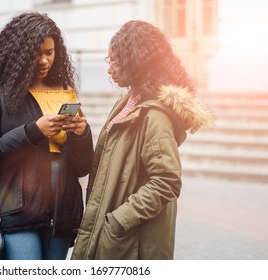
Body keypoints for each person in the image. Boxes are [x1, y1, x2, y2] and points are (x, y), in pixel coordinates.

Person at [71, 20, 214, 260]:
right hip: (116, 233)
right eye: (109, 61)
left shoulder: (154, 115)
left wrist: (118, 221)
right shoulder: (128, 102)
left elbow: (166, 181)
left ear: (135, 59)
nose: (109, 69)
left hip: (132, 242)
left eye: (115, 61)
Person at [0, 12, 93, 260]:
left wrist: (80, 134)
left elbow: (82, 167)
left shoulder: (64, 92)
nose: (44, 61)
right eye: (36, 53)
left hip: (61, 208)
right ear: (18, 52)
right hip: (15, 210)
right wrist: (33, 132)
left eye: (50, 52)